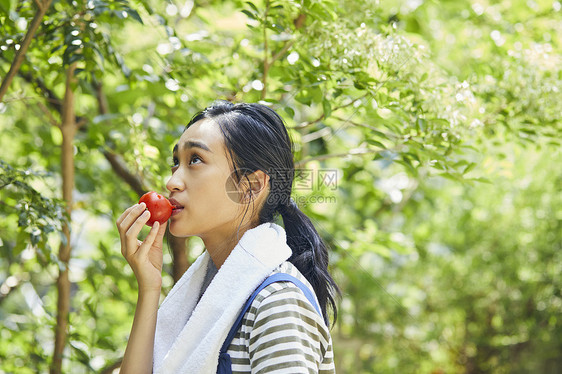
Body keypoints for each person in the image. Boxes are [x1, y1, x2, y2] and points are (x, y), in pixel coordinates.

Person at [116, 101, 339, 373]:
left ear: (251, 186)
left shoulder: (277, 303)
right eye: (176, 162)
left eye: (195, 159)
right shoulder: (201, 296)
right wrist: (149, 287)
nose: (171, 182)